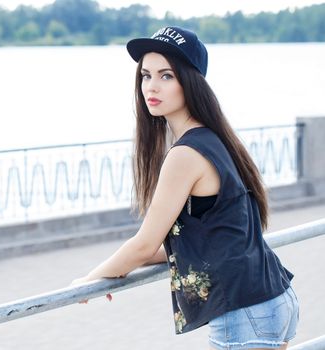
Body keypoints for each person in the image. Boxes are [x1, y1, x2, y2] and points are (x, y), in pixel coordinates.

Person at [71, 26, 299, 350]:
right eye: (146, 75)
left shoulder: (185, 155)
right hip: (273, 299)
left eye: (167, 76)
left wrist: (90, 280)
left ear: (190, 83)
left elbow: (143, 243)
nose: (152, 86)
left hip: (244, 314)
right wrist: (116, 270)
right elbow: (194, 242)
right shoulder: (216, 139)